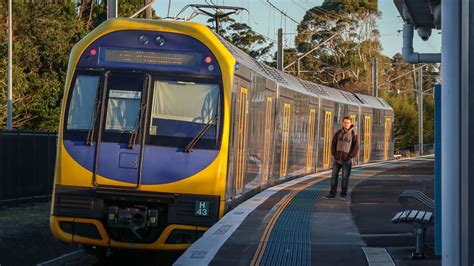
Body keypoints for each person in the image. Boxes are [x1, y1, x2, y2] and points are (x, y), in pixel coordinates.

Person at [323, 115, 359, 200]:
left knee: (344, 178)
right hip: (337, 160)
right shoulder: (338, 132)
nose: (346, 124)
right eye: (345, 122)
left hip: (347, 161)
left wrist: (350, 156)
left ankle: (343, 195)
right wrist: (334, 154)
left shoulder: (354, 134)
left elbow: (356, 147)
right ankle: (332, 194)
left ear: (350, 124)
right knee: (333, 177)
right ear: (342, 123)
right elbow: (333, 144)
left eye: (348, 123)